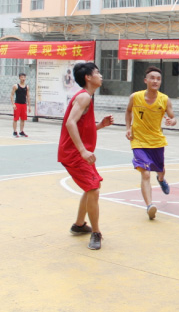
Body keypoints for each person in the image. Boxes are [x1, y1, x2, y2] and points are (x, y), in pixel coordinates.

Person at [58, 63, 114, 250]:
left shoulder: (86, 97)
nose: (101, 75)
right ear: (88, 77)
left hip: (77, 152)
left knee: (91, 187)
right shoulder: (84, 97)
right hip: (74, 154)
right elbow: (70, 123)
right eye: (97, 72)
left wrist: (100, 125)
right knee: (94, 189)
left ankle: (79, 224)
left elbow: (82, 127)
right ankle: (96, 233)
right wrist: (82, 150)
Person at [125, 66, 177, 220]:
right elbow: (128, 111)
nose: (155, 81)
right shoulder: (135, 97)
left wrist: (171, 121)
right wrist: (128, 128)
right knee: (145, 173)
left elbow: (173, 117)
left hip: (156, 141)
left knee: (160, 170)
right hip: (138, 141)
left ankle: (161, 179)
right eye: (152, 78)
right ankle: (149, 206)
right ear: (145, 80)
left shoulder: (164, 99)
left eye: (158, 79)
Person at [10, 72, 30, 138]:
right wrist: (13, 104)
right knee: (16, 118)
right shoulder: (16, 86)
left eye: (24, 77)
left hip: (24, 104)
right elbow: (12, 95)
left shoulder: (27, 87)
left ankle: (21, 131)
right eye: (21, 77)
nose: (23, 78)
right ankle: (15, 131)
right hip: (17, 104)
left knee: (23, 119)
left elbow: (28, 96)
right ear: (19, 78)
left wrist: (29, 106)